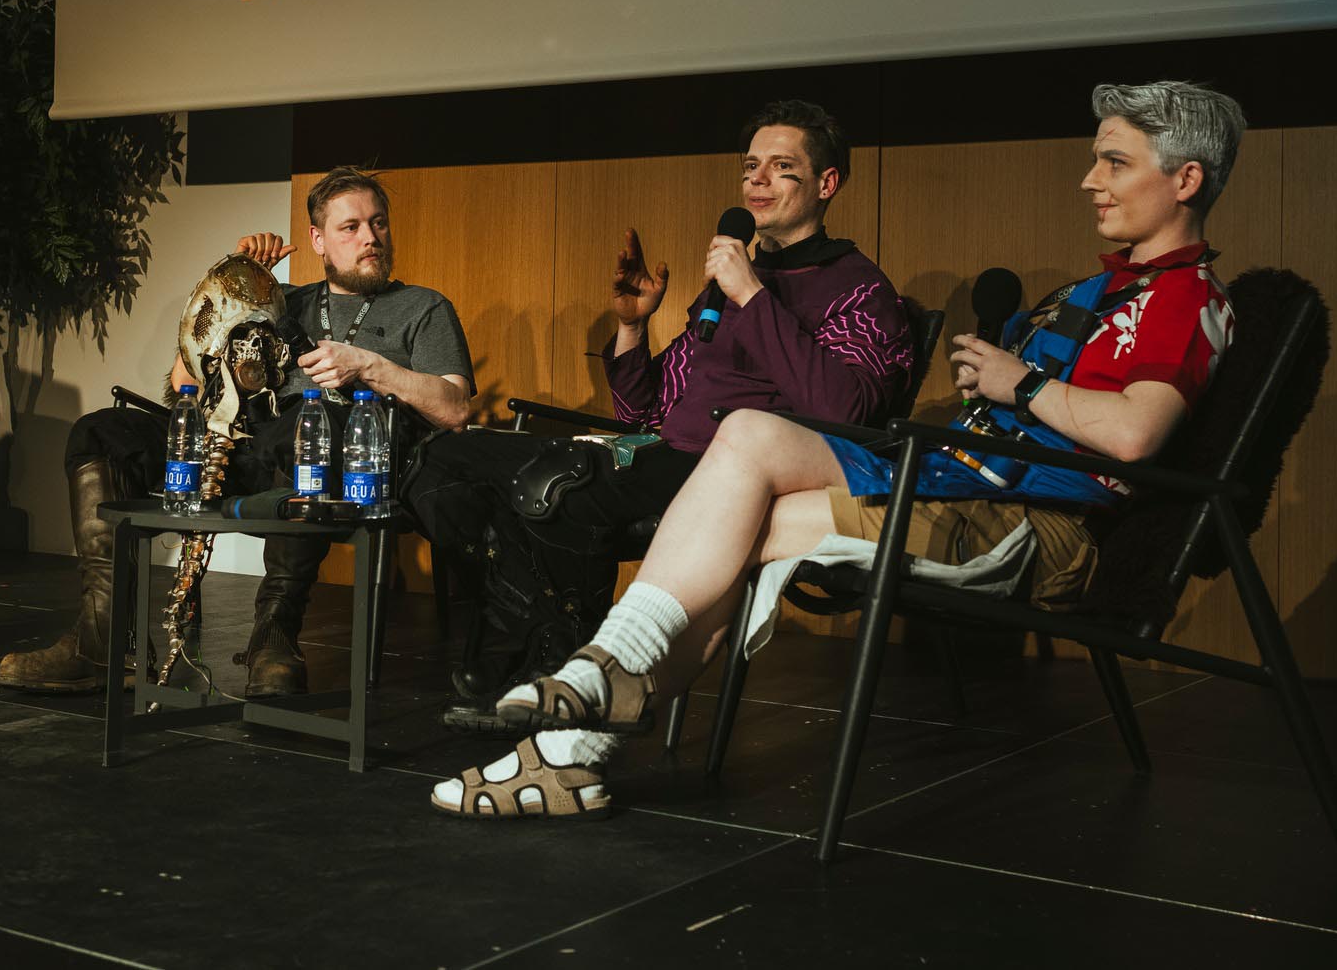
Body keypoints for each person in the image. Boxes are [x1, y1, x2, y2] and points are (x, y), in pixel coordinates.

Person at [431, 79, 1244, 818]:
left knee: (739, 442)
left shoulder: (1182, 295)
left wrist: (1020, 383)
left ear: (1185, 179)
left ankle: (593, 686)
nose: (1090, 180)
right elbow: (654, 405)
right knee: (721, 516)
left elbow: (1134, 432)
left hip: (1025, 514)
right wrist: (636, 328)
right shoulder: (1096, 292)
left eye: (1113, 162)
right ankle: (570, 749)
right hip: (959, 477)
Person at [408, 99, 914, 729]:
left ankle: (552, 671)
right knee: (443, 459)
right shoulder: (730, 280)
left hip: (726, 476)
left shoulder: (859, 289)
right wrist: (631, 326)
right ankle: (539, 642)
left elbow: (847, 411)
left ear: (826, 183)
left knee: (554, 486)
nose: (757, 180)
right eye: (750, 166)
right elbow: (647, 410)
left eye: (781, 167)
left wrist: (752, 296)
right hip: (661, 452)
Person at [0, 165, 475, 697]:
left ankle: (274, 637)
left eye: (378, 223)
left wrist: (369, 365)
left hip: (340, 470)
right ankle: (104, 639)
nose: (371, 238)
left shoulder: (423, 307)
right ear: (317, 239)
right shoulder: (283, 301)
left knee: (301, 429)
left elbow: (454, 409)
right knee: (100, 433)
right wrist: (238, 285)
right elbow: (185, 384)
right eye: (351, 227)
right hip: (242, 453)